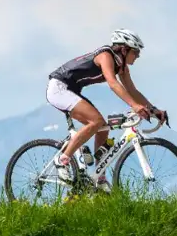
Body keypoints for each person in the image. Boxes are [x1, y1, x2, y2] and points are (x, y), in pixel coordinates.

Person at [45, 28, 166, 188]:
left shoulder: (121, 66)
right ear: (124, 49)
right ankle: (62, 160)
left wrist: (153, 110)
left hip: (71, 90)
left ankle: (99, 178)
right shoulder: (105, 56)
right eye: (135, 52)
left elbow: (132, 91)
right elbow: (113, 83)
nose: (138, 56)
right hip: (59, 88)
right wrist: (134, 106)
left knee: (102, 127)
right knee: (95, 121)